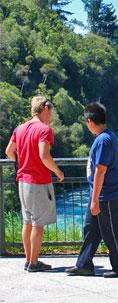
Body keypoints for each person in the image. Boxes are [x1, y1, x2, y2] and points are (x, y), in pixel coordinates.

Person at [66, 102, 118, 278]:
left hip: (105, 195)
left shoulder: (103, 140)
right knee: (91, 229)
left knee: (111, 230)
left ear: (89, 121)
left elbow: (100, 170)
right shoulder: (106, 137)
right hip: (99, 194)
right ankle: (84, 264)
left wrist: (95, 199)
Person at [5, 96, 64, 272]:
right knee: (38, 224)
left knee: (27, 221)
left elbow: (9, 151)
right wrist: (57, 171)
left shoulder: (20, 128)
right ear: (45, 108)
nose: (51, 115)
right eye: (50, 110)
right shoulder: (44, 130)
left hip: (22, 181)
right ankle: (34, 263)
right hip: (38, 181)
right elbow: (44, 156)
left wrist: (23, 163)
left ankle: (28, 260)